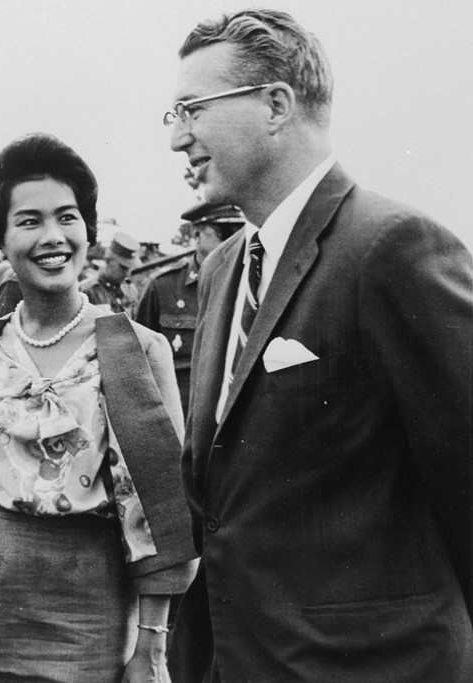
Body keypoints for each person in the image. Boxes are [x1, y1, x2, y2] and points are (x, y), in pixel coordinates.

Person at [165, 10, 473, 681]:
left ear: (276, 105)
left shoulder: (394, 249)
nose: (177, 137)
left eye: (191, 108)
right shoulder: (222, 271)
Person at [0, 134, 197, 683]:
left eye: (67, 217)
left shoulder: (137, 349)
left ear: (87, 231)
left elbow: (159, 511)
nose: (53, 237)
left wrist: (152, 648)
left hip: (90, 606)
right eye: (29, 221)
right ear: (0, 241)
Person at [136, 203, 243, 415]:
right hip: (178, 410)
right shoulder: (162, 287)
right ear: (197, 235)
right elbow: (138, 358)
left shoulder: (245, 283)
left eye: (238, 232)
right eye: (224, 233)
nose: (234, 240)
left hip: (229, 411)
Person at [79, 231, 142, 314]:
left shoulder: (131, 290)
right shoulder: (86, 290)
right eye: (123, 268)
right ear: (108, 261)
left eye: (129, 269)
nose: (127, 274)